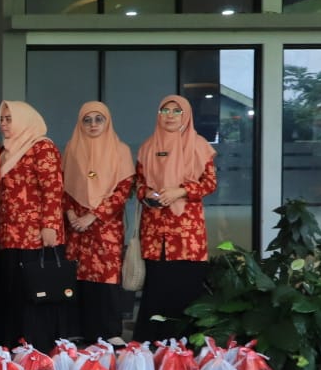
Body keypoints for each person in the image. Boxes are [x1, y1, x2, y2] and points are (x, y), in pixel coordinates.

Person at [132, 94, 218, 343]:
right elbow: (138, 184)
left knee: (185, 288)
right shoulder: (148, 146)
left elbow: (210, 183)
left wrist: (180, 191)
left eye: (176, 111)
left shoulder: (199, 145)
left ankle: (184, 346)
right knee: (156, 289)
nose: (170, 116)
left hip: (186, 232)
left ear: (186, 115)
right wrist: (148, 193)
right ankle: (152, 345)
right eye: (165, 111)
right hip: (155, 229)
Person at [0, 100, 73, 350]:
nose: (4, 124)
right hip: (10, 234)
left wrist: (49, 224)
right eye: (2, 119)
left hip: (37, 235)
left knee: (37, 289)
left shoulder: (42, 147)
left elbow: (53, 188)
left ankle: (38, 345)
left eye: (9, 119)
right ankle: (15, 343)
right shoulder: (5, 150)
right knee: (14, 290)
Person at [63, 102, 136, 341]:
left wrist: (93, 215)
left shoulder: (120, 150)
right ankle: (78, 330)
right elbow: (62, 186)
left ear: (107, 122)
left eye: (98, 119)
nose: (93, 124)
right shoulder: (72, 149)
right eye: (87, 120)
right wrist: (71, 215)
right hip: (77, 227)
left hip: (106, 226)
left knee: (106, 278)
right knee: (77, 277)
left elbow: (123, 190)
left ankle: (109, 331)